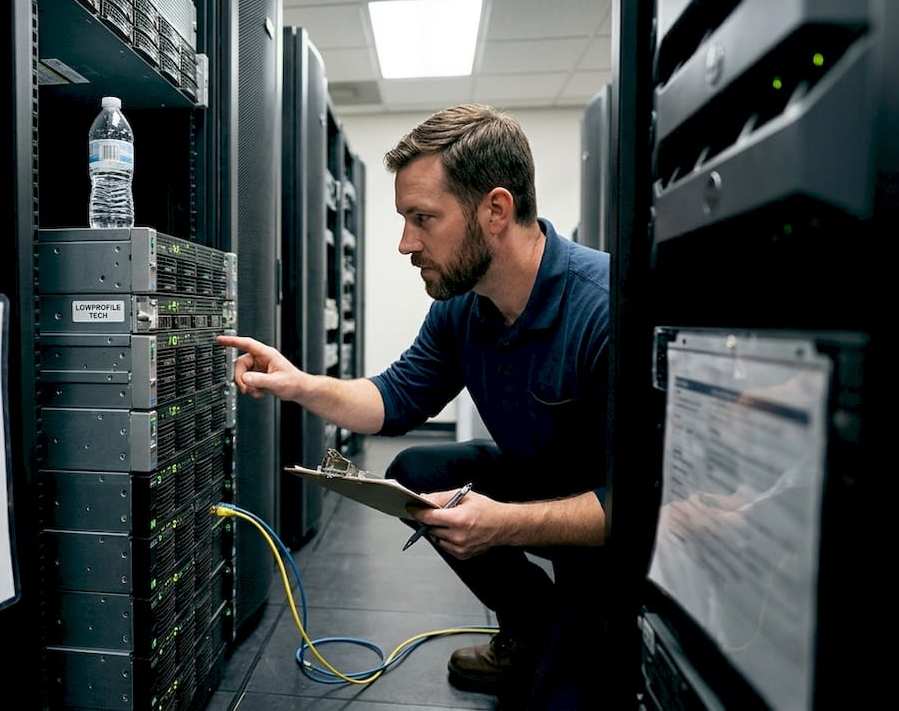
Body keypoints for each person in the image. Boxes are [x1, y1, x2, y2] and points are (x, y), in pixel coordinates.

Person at [217, 103, 611, 709]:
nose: (406, 243)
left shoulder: (604, 309)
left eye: (422, 219)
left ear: (496, 211)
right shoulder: (463, 307)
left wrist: (502, 523)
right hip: (547, 482)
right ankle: (534, 628)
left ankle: (572, 633)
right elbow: (392, 398)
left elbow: (648, 505)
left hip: (617, 534)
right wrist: (297, 384)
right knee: (417, 473)